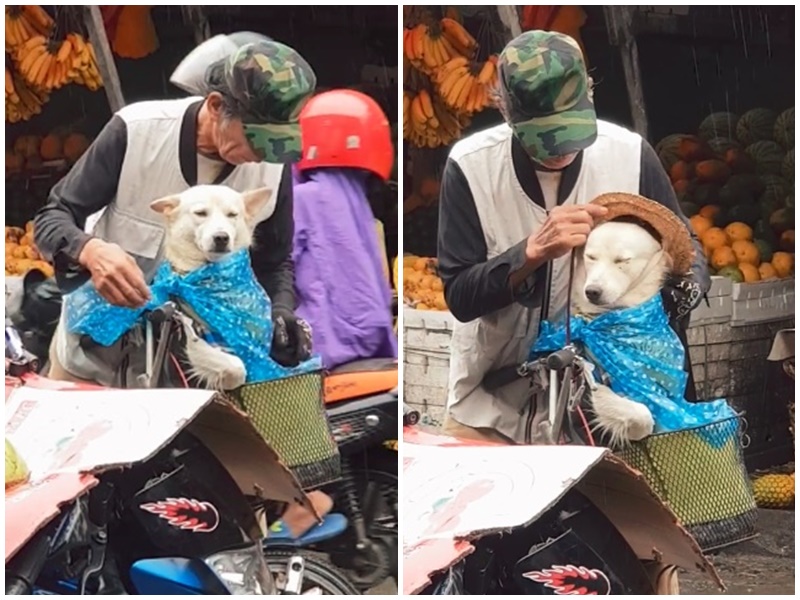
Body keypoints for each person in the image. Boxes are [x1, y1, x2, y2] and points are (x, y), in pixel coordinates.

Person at [436, 30, 710, 444]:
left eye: (567, 128)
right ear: (505, 110)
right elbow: (460, 295)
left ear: (590, 94)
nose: (559, 148)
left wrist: (678, 292)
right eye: (541, 134)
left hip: (613, 402)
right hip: (493, 402)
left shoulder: (630, 154)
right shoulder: (471, 167)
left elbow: (686, 251)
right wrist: (529, 254)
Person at [33, 35, 317, 386]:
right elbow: (52, 217)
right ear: (215, 106)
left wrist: (280, 313)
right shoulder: (137, 132)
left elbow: (275, 262)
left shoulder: (271, 169)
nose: (263, 154)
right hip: (94, 360)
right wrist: (91, 251)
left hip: (198, 373)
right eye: (256, 137)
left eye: (276, 141)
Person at [291, 89, 397, 370]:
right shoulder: (358, 204)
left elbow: (277, 264)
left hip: (324, 348)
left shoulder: (302, 198)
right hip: (374, 340)